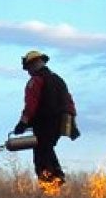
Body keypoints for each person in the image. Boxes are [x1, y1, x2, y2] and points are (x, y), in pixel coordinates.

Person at [12, 50, 78, 186]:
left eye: (29, 67)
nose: (28, 71)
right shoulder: (58, 79)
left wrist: (22, 123)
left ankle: (50, 184)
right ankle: (57, 177)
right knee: (47, 149)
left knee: (41, 154)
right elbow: (69, 103)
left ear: (35, 64)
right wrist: (72, 123)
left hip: (44, 123)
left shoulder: (35, 81)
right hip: (60, 123)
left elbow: (31, 104)